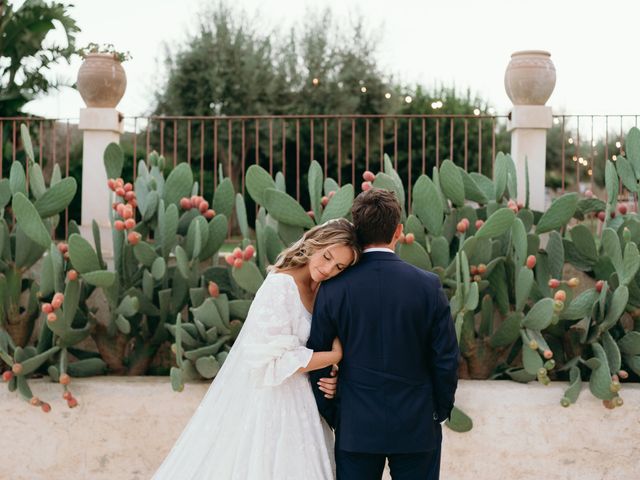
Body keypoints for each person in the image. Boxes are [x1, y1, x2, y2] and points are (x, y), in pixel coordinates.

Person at [152, 218, 361, 480]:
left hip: (305, 403)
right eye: (327, 256)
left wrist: (333, 371)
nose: (329, 268)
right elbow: (271, 360)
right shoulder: (279, 286)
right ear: (314, 244)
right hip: (272, 401)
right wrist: (334, 356)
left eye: (339, 266)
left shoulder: (322, 289)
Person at [307, 189, 460, 480]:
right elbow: (446, 359)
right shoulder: (428, 286)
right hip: (417, 425)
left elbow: (317, 356)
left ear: (357, 231)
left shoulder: (333, 288)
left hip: (356, 427)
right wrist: (437, 412)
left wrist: (337, 414)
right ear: (399, 231)